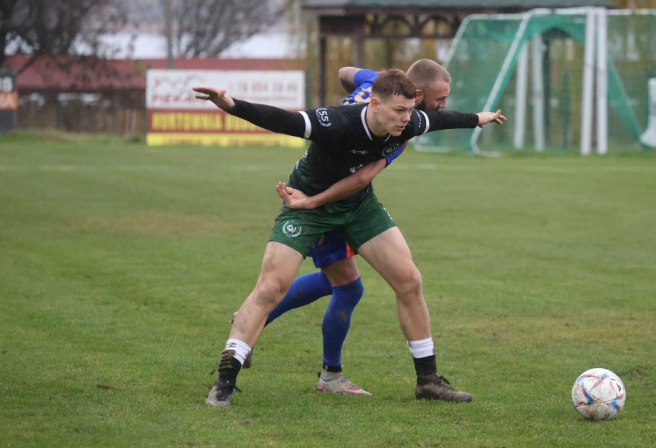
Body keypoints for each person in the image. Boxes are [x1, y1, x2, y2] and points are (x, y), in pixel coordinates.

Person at [194, 69, 505, 407]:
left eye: (410, 111)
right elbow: (282, 120)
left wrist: (480, 118)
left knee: (409, 280)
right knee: (271, 287)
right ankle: (224, 381)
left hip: (357, 207)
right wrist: (229, 103)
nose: (408, 119)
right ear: (375, 104)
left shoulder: (409, 122)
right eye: (399, 112)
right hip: (306, 203)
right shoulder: (337, 122)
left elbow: (443, 119)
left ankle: (428, 380)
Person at [257, 59, 452, 397]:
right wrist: (314, 203)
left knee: (355, 284)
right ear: (416, 95)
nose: (443, 107)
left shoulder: (377, 86)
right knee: (347, 286)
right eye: (439, 99)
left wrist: (363, 91)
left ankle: (264, 324)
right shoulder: (397, 130)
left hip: (347, 200)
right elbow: (359, 178)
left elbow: (344, 72)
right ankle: (319, 366)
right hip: (325, 199)